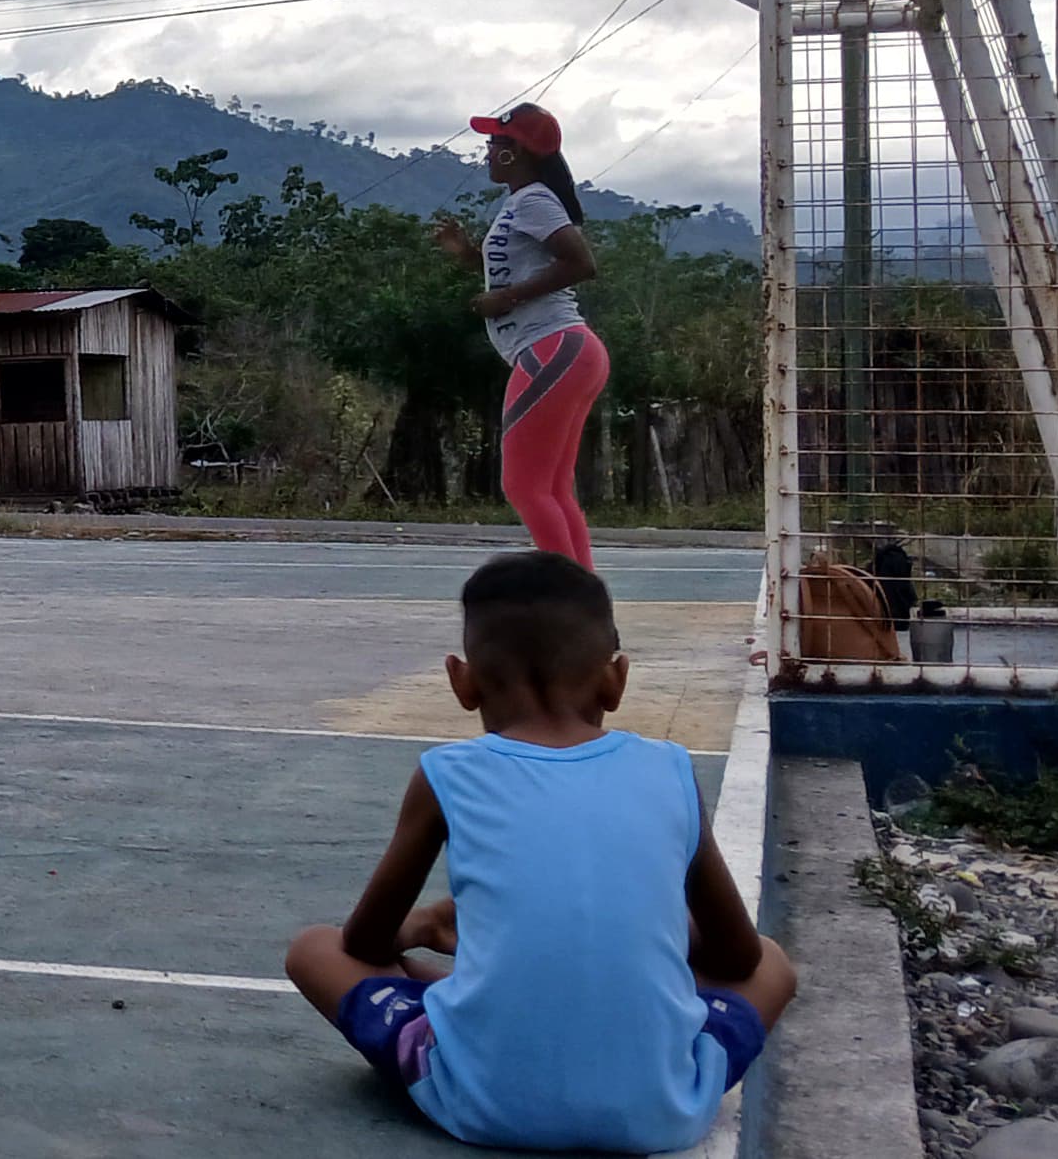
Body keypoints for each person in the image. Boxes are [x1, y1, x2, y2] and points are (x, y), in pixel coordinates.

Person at [284, 551, 796, 1154]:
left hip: (482, 1104)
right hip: (662, 1111)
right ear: (616, 678)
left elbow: (365, 944)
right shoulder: (670, 769)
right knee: (773, 964)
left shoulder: (446, 774)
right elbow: (738, 957)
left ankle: (481, 999)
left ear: (461, 680)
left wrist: (423, 925)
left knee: (315, 948)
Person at [431, 103, 605, 567]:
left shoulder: (534, 201)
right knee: (551, 489)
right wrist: (467, 254)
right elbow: (514, 268)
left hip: (553, 347)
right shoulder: (521, 203)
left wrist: (507, 298)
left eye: (493, 144)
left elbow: (581, 263)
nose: (487, 153)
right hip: (567, 351)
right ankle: (586, 602)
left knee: (523, 486)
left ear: (515, 153)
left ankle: (568, 600)